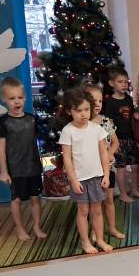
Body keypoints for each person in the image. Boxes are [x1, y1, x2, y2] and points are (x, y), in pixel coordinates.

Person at [59, 87, 113, 255]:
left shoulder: (96, 129)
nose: (83, 114)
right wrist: (73, 180)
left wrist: (106, 175)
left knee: (97, 210)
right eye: (78, 110)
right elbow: (67, 158)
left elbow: (104, 153)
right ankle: (85, 242)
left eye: (86, 110)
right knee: (83, 211)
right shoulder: (68, 131)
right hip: (80, 179)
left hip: (97, 177)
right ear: (69, 111)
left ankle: (100, 239)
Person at [0, 76, 47, 241]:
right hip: (15, 169)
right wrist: (4, 171)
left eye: (19, 97)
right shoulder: (3, 121)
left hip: (33, 167)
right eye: (12, 98)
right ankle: (19, 228)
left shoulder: (32, 119)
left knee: (35, 199)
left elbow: (42, 138)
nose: (17, 101)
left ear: (25, 97)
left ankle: (37, 226)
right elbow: (1, 149)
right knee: (17, 200)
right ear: (4, 99)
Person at [82, 81, 126, 242]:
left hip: (107, 167)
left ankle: (112, 228)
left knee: (109, 199)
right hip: (92, 169)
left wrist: (110, 153)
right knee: (95, 202)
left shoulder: (106, 121)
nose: (98, 104)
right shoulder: (83, 124)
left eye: (100, 101)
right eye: (94, 101)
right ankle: (96, 230)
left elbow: (115, 142)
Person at [103, 67, 139, 202]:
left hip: (131, 138)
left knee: (135, 166)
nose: (124, 85)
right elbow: (107, 122)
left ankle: (135, 190)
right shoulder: (109, 101)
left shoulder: (129, 99)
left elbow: (131, 117)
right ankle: (123, 194)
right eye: (120, 82)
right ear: (111, 83)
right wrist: (113, 142)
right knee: (121, 168)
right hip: (118, 140)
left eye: (126, 82)